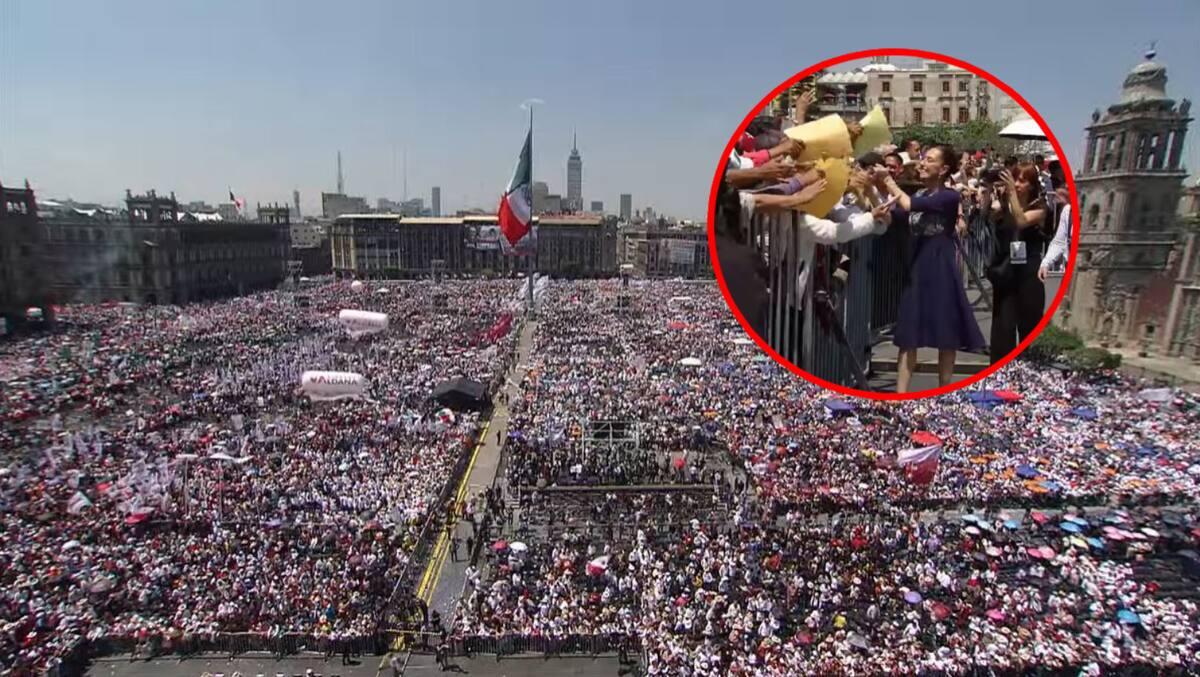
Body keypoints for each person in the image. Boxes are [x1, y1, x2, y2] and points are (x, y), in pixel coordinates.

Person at [875, 145, 985, 392]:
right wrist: (872, 195)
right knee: (908, 332)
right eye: (923, 159)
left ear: (944, 169)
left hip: (940, 266)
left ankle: (944, 388)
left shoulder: (949, 196)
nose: (922, 163)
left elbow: (908, 205)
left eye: (930, 160)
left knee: (946, 332)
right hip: (917, 266)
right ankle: (901, 392)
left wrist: (888, 181)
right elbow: (895, 216)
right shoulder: (922, 194)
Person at [983, 162, 1049, 363]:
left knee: (1029, 324)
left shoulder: (1040, 207)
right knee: (1003, 325)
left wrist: (1011, 192)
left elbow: (1021, 221)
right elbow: (985, 215)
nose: (1017, 184)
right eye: (1015, 179)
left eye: (1022, 180)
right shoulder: (1003, 204)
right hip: (1006, 270)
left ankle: (1029, 367)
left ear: (1031, 185)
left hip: (1029, 270)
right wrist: (987, 190)